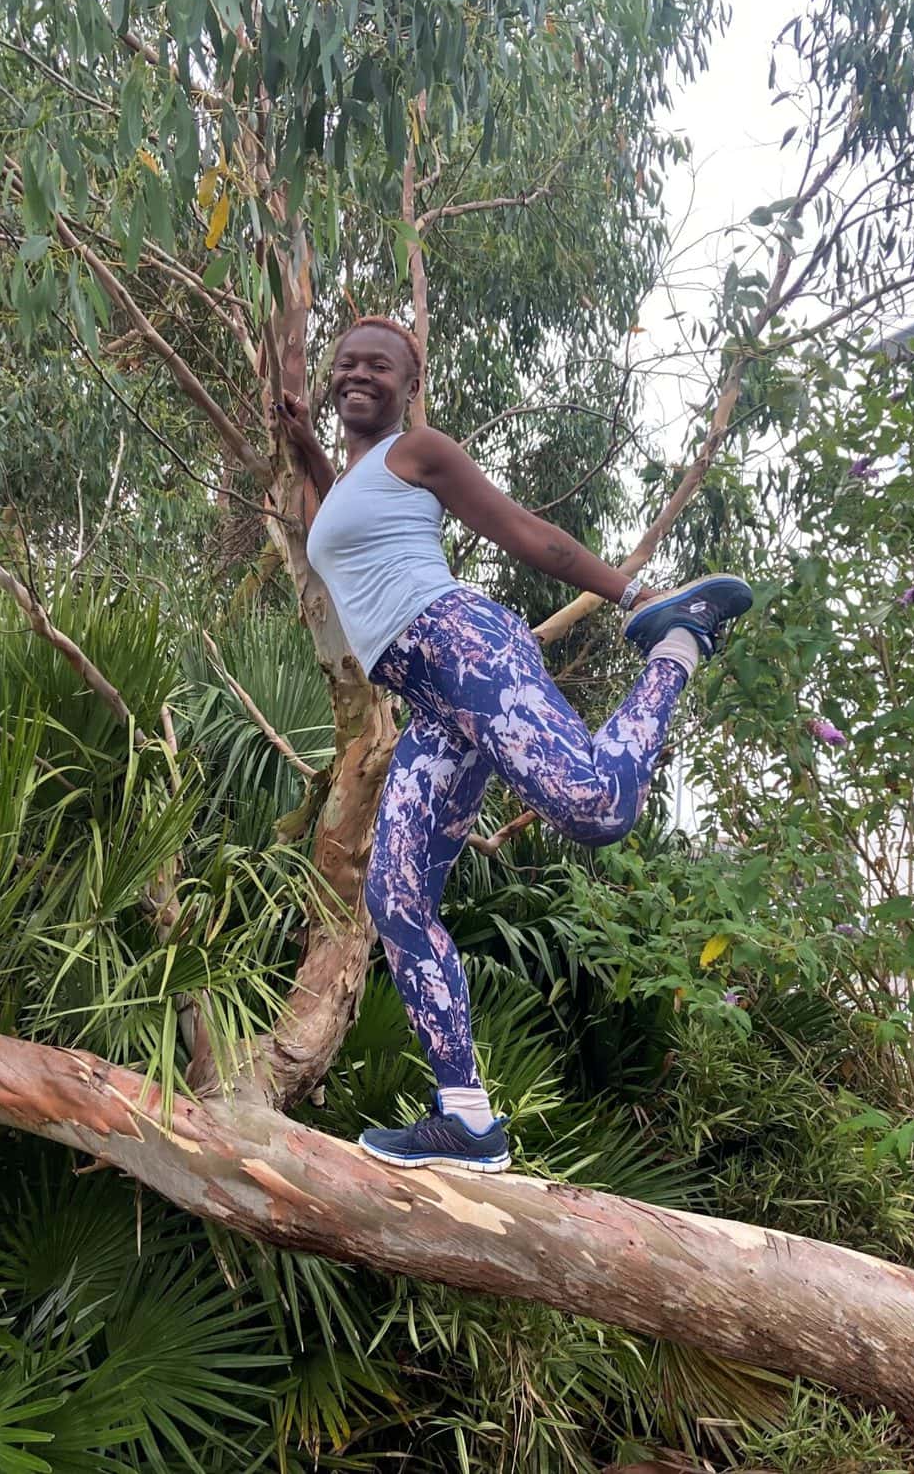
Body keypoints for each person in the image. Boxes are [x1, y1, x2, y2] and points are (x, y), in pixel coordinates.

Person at [282, 315, 752, 1173]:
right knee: (395, 901)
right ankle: (465, 1118)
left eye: (377, 366)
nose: (357, 375)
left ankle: (678, 641)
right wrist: (304, 447)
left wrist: (636, 597)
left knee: (593, 808)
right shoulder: (349, 476)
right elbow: (331, 521)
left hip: (462, 644)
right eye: (344, 363)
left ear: (408, 384)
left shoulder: (418, 452)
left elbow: (530, 535)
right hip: (430, 701)